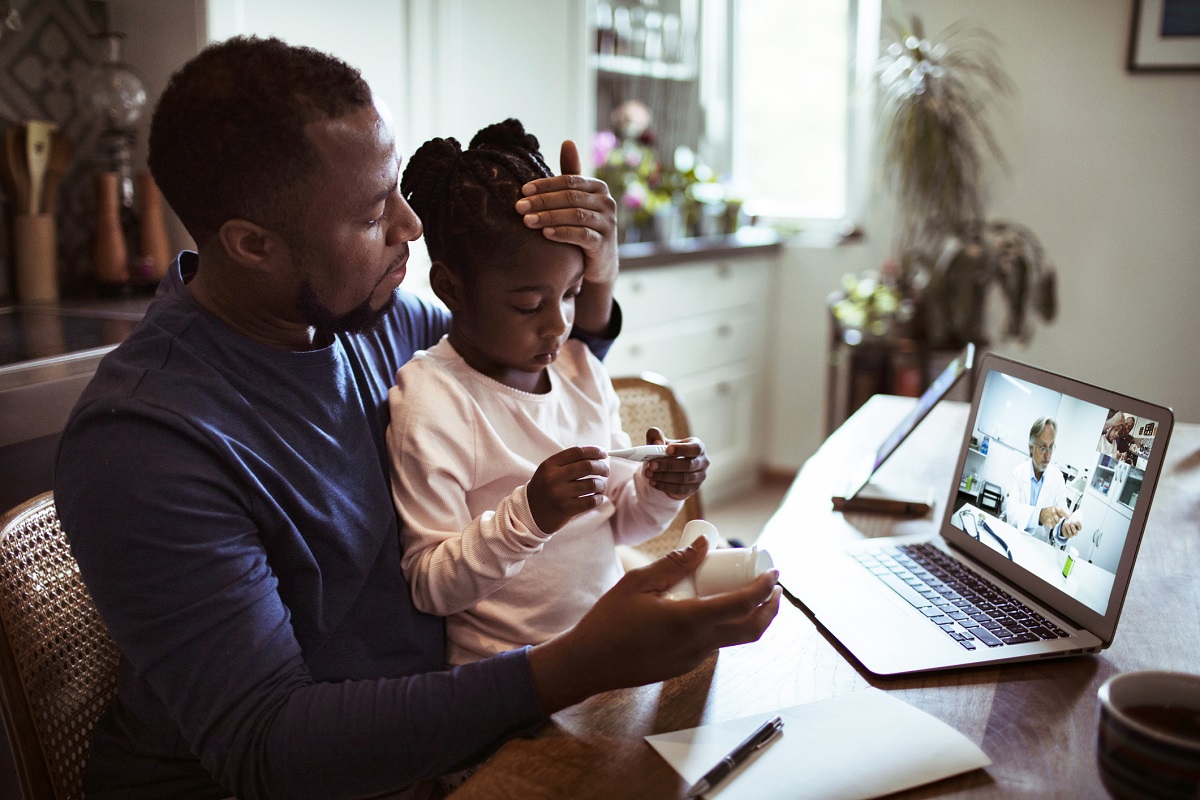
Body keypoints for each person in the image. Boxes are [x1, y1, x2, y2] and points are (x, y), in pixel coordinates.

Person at [53, 37, 779, 800]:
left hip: (449, 746)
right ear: (253, 244)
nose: (409, 225)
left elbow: (525, 364)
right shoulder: (147, 444)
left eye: (397, 190)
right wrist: (576, 663)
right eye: (373, 213)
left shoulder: (371, 318)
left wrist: (592, 271)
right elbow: (269, 747)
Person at [389, 119, 705, 667]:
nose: (558, 325)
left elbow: (622, 525)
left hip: (608, 650)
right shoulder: (433, 400)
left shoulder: (580, 369)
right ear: (451, 288)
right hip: (510, 681)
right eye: (530, 305)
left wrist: (660, 489)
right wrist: (530, 516)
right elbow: (430, 586)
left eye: (571, 295)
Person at [1004, 416, 1081, 547]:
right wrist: (1039, 515)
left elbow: (1062, 514)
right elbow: (1011, 512)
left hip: (1038, 547)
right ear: (1031, 448)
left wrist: (1064, 528)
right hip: (1014, 540)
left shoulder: (1057, 478)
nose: (1048, 455)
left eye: (1051, 447)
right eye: (1043, 448)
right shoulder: (1018, 473)